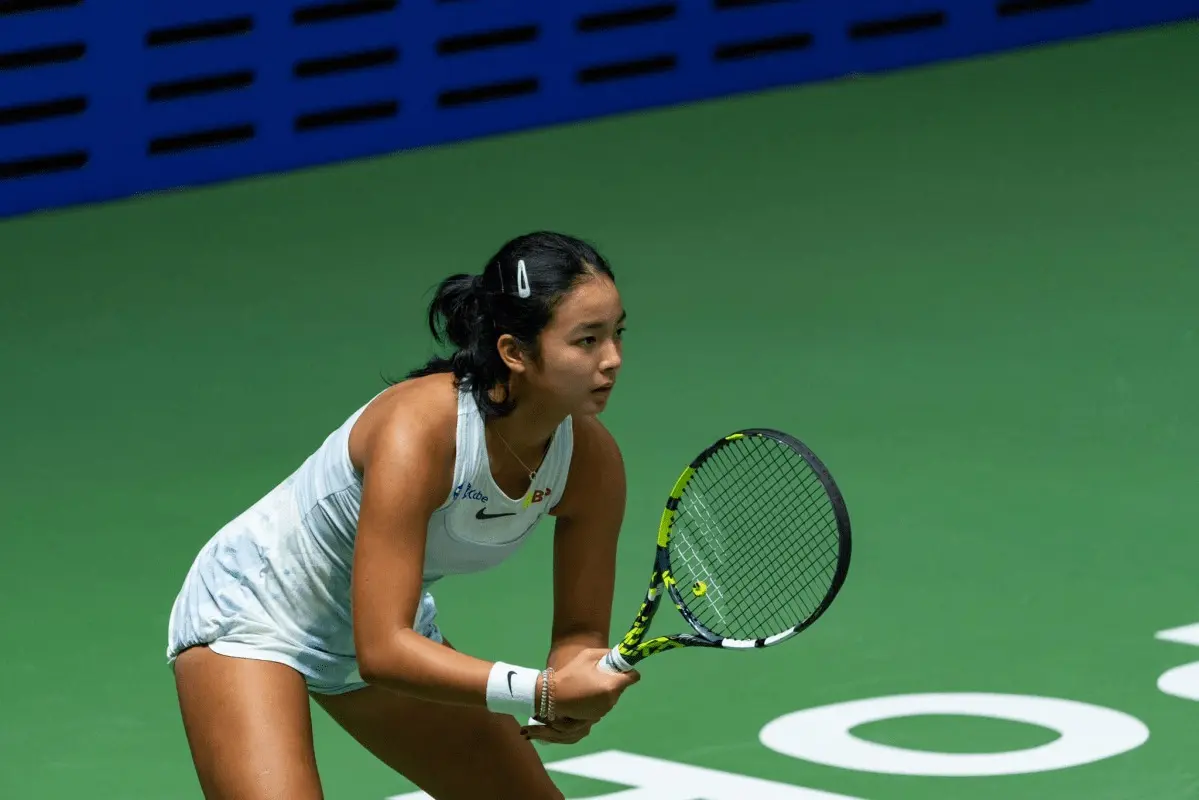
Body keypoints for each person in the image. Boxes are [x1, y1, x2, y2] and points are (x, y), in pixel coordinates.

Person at [165, 231, 640, 799]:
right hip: (256, 609)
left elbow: (580, 632)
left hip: (385, 621)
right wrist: (541, 691)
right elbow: (383, 651)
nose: (612, 359)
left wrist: (574, 685)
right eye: (587, 340)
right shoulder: (418, 431)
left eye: (617, 333)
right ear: (514, 352)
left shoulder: (591, 463)